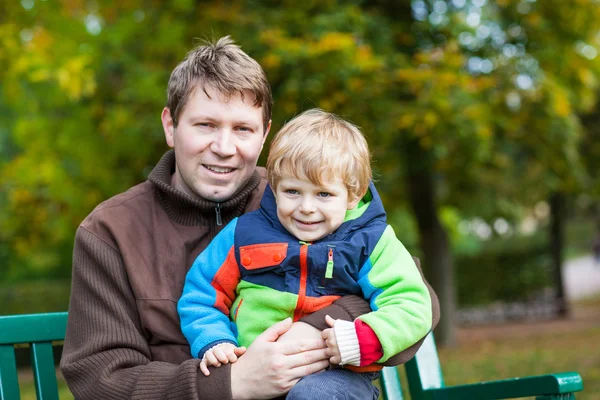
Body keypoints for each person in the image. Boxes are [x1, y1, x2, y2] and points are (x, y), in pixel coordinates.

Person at [60, 36, 439, 400]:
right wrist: (233, 383)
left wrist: (311, 335)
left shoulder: (301, 198)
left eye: (242, 129)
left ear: (264, 137)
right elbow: (99, 379)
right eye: (205, 125)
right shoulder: (110, 232)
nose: (224, 148)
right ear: (170, 126)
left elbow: (417, 298)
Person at [178, 109, 433, 399]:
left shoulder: (371, 242)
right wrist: (214, 340)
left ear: (353, 194)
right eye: (292, 192)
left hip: (337, 377)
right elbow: (201, 294)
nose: (307, 207)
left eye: (323, 194)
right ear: (274, 186)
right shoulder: (242, 235)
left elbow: (410, 302)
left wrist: (364, 337)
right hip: (255, 372)